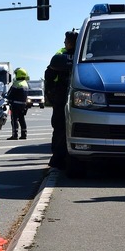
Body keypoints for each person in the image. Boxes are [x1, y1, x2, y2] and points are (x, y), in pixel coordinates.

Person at [44, 30, 77, 168]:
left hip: (69, 98)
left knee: (60, 128)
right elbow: (50, 74)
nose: (65, 43)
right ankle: (58, 158)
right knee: (59, 127)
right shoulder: (65, 57)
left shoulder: (75, 56)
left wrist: (51, 92)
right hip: (62, 98)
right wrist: (51, 92)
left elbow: (49, 76)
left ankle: (60, 158)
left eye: (67, 41)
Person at [6, 67, 30, 140]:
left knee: (14, 120)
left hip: (15, 105)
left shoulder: (16, 83)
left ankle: (15, 135)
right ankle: (24, 134)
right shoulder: (26, 84)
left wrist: (7, 98)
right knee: (22, 119)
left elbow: (10, 94)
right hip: (23, 105)